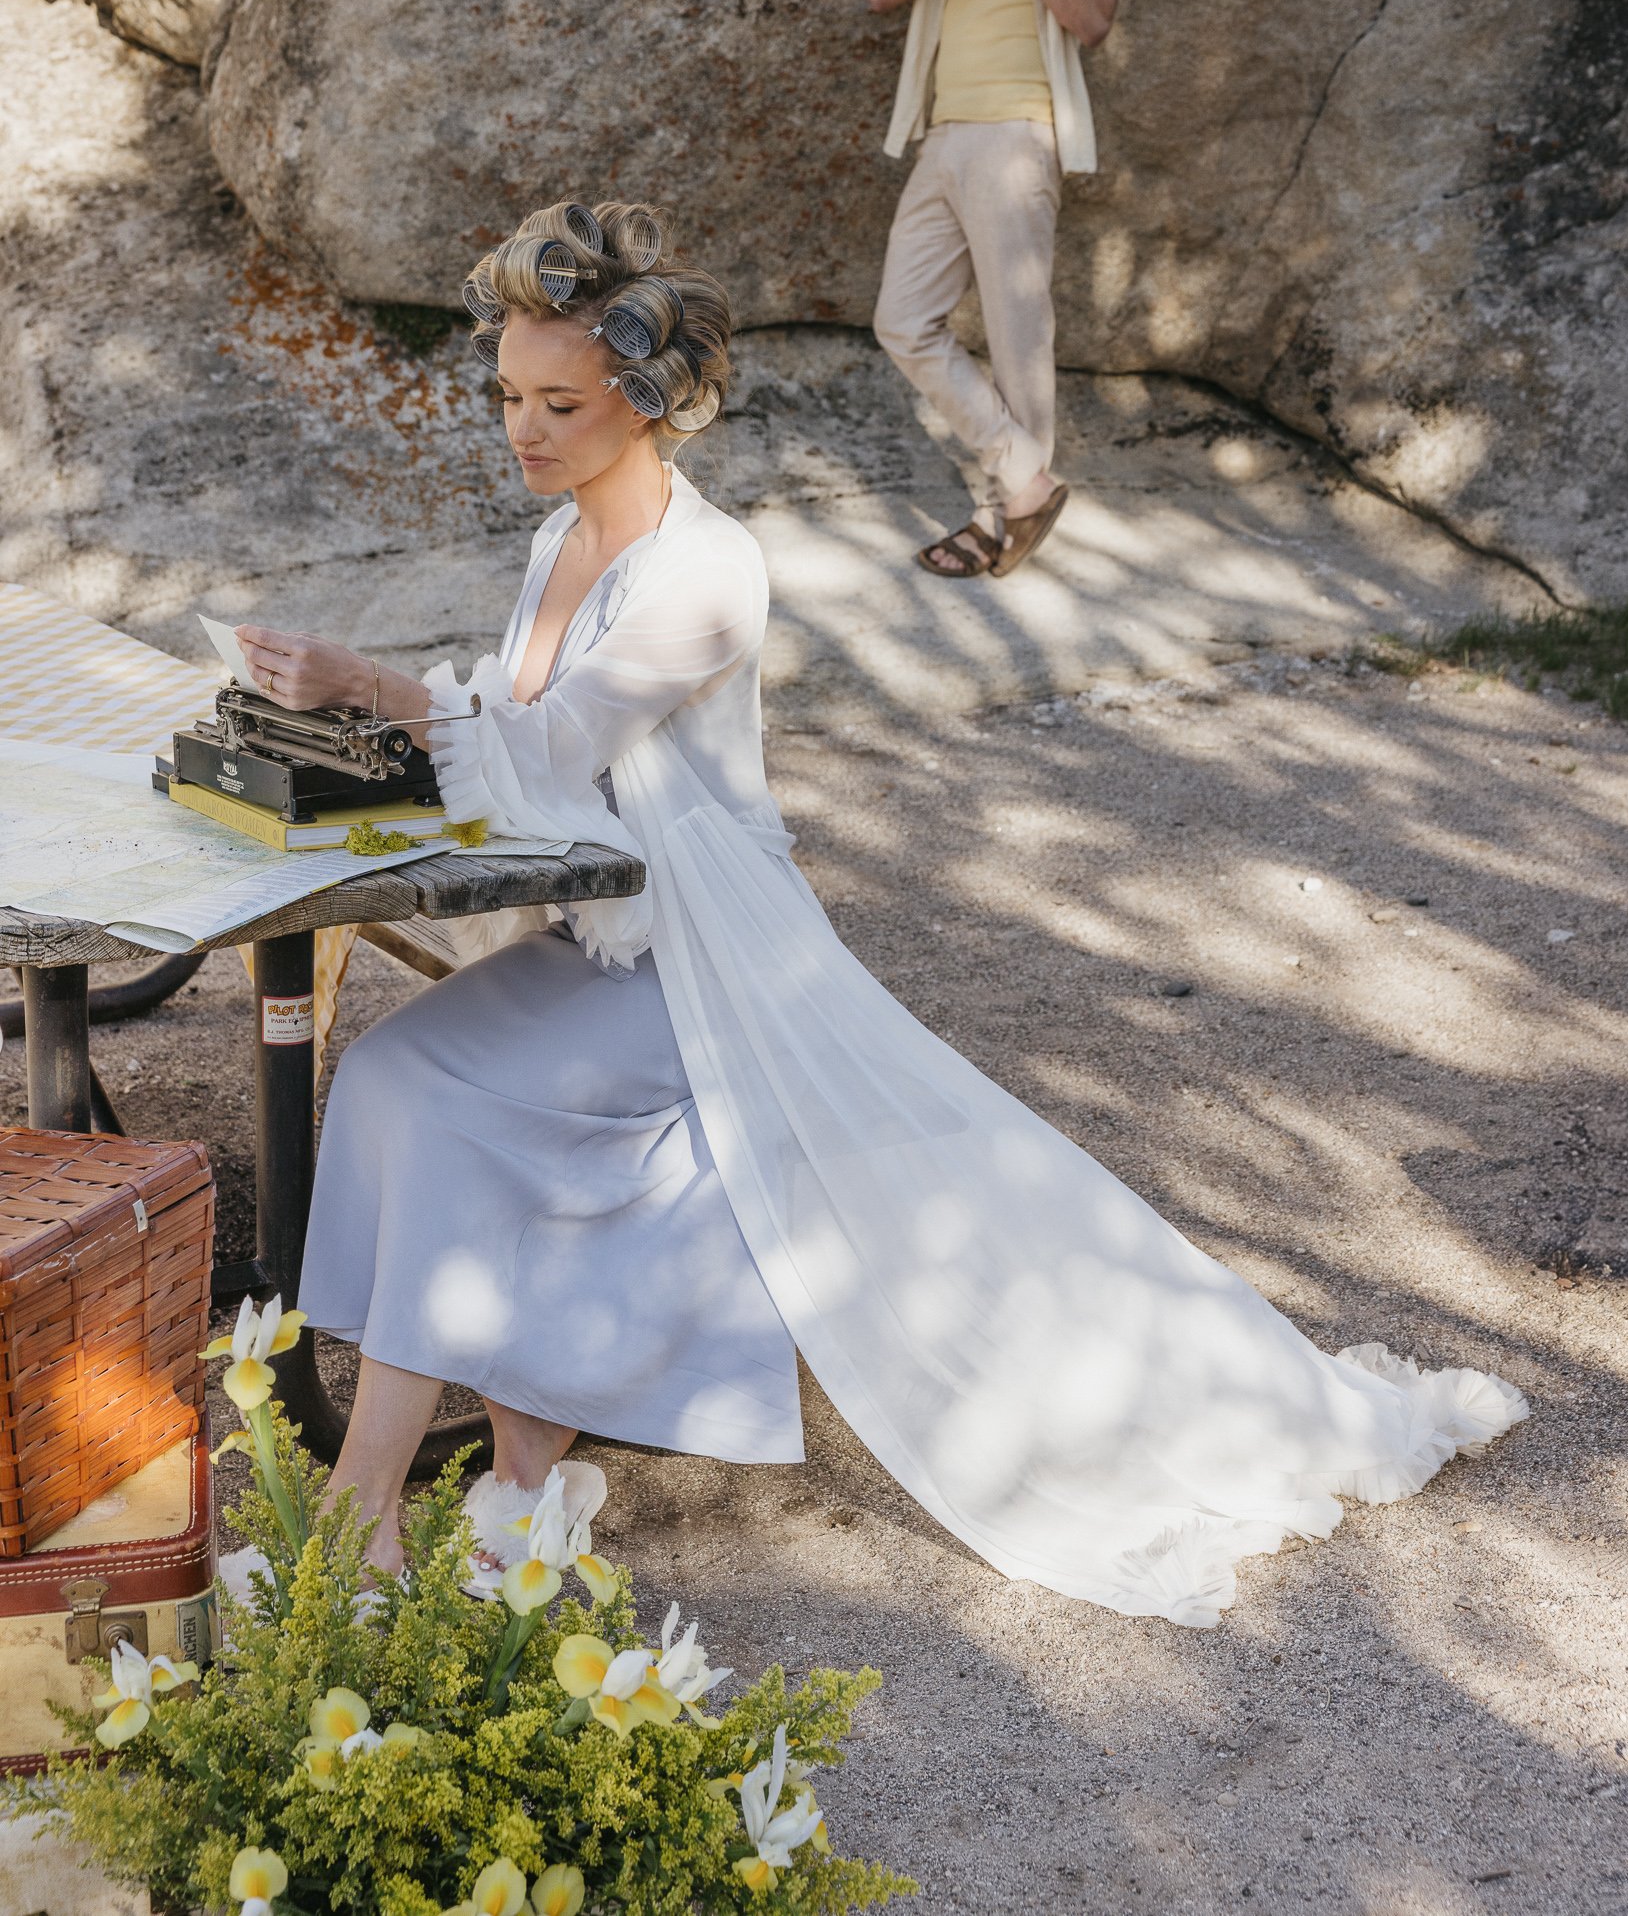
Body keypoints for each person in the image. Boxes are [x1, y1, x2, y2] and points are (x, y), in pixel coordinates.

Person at [237, 198, 1525, 1626]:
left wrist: (377, 689)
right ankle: (516, 1469)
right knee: (403, 1075)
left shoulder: (710, 575)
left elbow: (550, 748)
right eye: (506, 398)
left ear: (651, 404)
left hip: (714, 971)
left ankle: (365, 1509)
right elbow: (527, 759)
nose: (521, 431)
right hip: (605, 940)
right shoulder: (558, 548)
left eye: (558, 403)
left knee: (439, 1097)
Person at [867, 0, 1121, 580]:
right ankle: (1024, 481)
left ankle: (997, 515)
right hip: (943, 135)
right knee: (901, 319)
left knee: (1018, 338)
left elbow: (1092, 22)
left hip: (1019, 134)